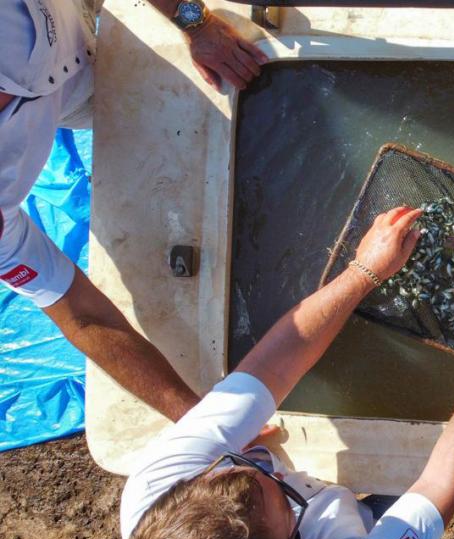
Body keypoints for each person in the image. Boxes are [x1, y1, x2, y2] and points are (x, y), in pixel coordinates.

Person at [119, 205, 454, 539]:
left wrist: (364, 271)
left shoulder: (158, 487)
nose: (275, 474)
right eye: (282, 497)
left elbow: (273, 366)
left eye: (227, 466)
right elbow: (440, 486)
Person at [0, 0, 269, 421]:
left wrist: (195, 23)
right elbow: (84, 317)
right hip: (73, 88)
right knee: (139, 106)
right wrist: (198, 424)